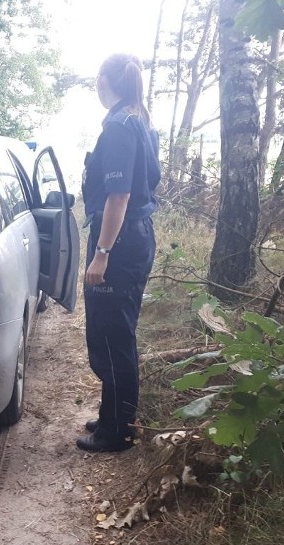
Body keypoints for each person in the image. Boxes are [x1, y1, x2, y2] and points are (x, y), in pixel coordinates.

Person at [76, 54, 161, 453]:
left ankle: (118, 432)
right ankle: (113, 415)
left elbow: (120, 194)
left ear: (104, 80)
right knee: (115, 330)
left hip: (120, 242)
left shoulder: (119, 128)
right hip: (136, 236)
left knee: (112, 334)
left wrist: (102, 253)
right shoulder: (139, 119)